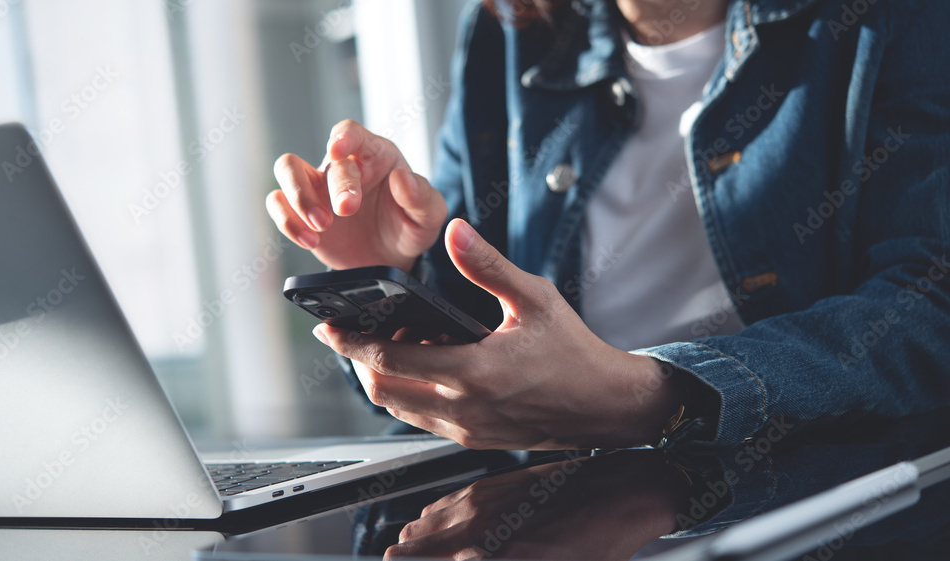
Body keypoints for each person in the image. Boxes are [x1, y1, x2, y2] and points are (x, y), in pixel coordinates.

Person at [266, 0, 950, 451]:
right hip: (558, 498)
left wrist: (651, 394)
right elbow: (491, 335)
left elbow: (929, 307)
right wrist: (396, 270)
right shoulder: (511, 30)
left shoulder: (892, 18)